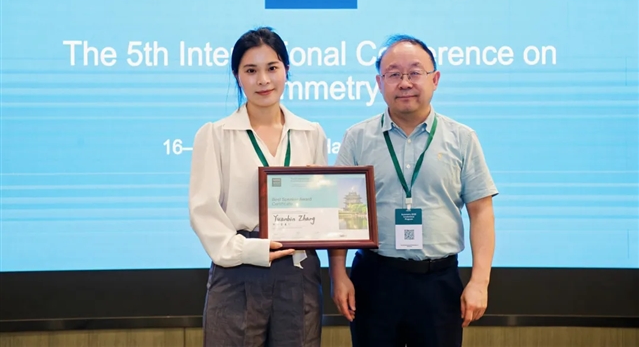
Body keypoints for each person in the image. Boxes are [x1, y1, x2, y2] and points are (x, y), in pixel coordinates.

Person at [328, 35, 498, 347]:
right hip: (375, 279)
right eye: (394, 74)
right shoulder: (357, 138)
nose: (405, 82)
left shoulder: (462, 138)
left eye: (415, 72)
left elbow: (482, 212)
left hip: (439, 281)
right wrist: (338, 275)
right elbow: (342, 214)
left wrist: (479, 281)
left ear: (435, 79)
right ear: (379, 83)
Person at [188, 27, 328, 347]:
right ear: (237, 76)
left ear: (286, 70)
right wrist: (250, 250)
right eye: (251, 70)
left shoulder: (311, 133)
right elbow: (203, 211)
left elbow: (321, 210)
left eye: (272, 68)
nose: (263, 80)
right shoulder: (215, 135)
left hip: (297, 269)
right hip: (237, 269)